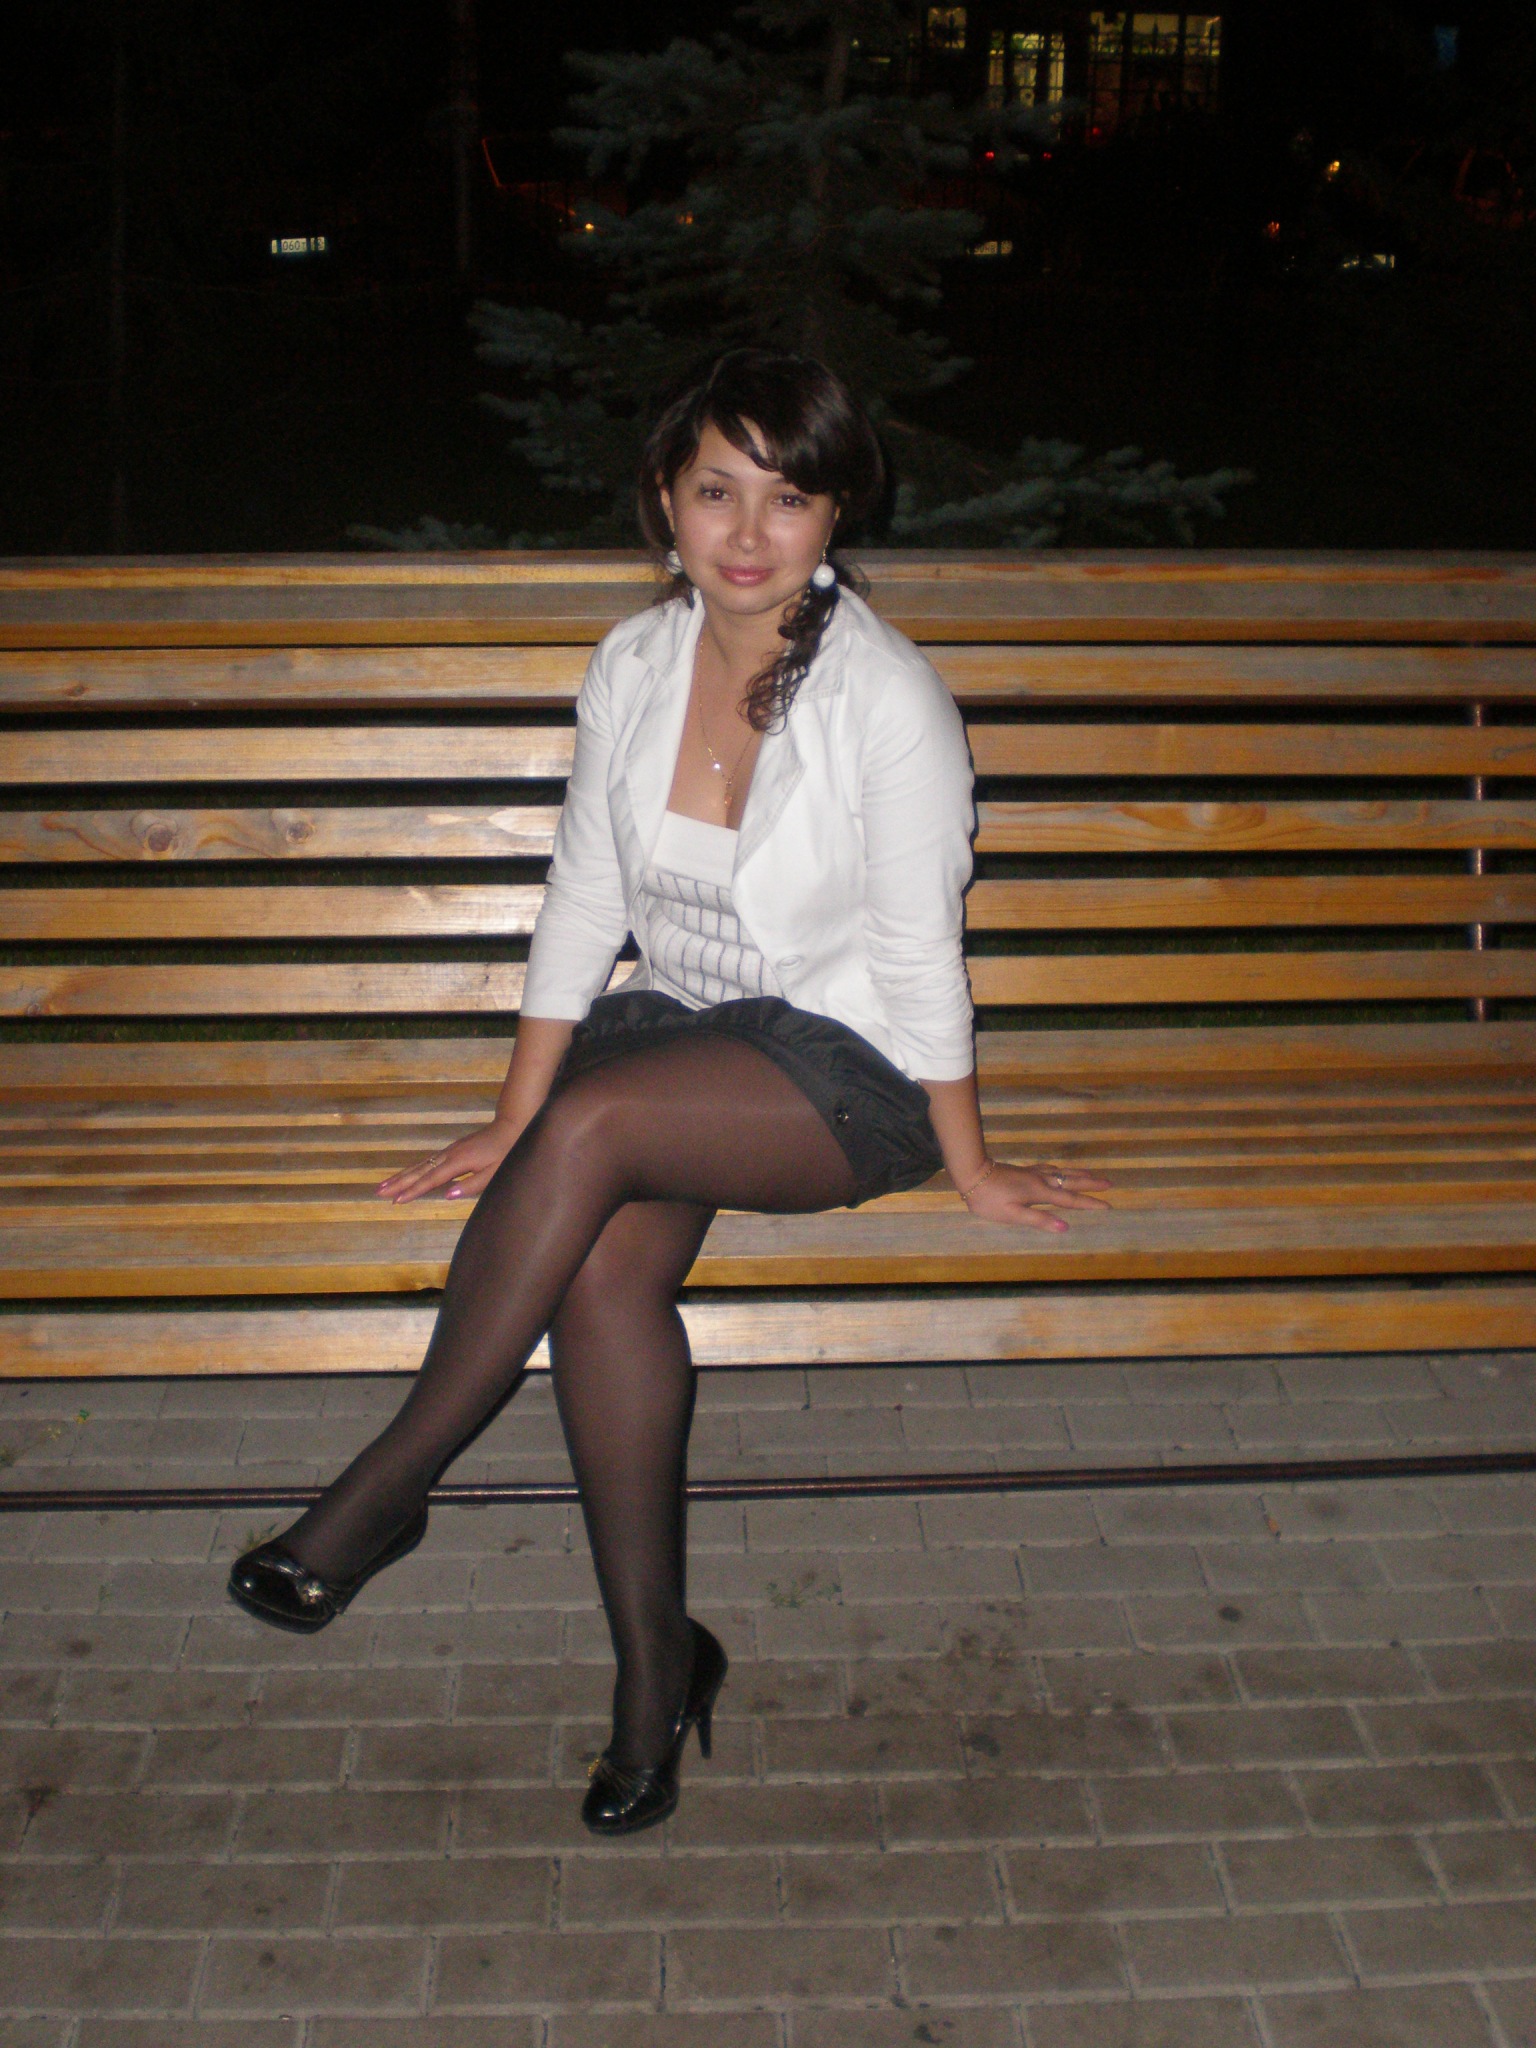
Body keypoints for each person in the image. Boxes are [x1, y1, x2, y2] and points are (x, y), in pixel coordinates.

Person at [229, 349, 1107, 1836]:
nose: (750, 532)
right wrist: (512, 1115)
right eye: (718, 491)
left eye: (790, 497)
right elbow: (584, 894)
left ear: (836, 516)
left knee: (601, 1120)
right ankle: (657, 1677)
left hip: (849, 1066)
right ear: (664, 499)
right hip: (684, 1032)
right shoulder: (636, 664)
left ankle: (382, 1494)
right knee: (598, 1272)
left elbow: (919, 950)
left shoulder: (886, 696)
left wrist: (969, 1164)